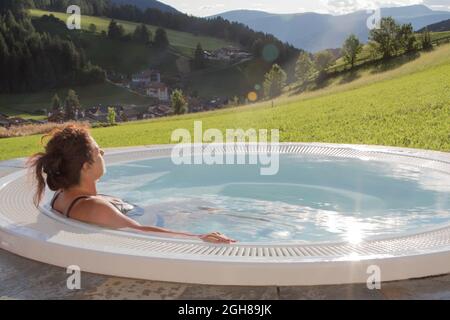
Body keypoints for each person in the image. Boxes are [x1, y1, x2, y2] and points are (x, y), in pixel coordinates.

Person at [28, 124, 236, 244]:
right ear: (85, 166)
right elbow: (139, 232)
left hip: (149, 214)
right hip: (158, 223)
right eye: (97, 151)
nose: (103, 153)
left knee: (204, 204)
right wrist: (198, 237)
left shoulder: (63, 195)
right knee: (215, 209)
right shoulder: (91, 206)